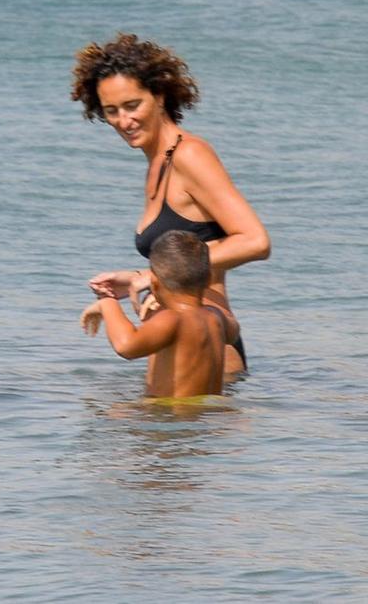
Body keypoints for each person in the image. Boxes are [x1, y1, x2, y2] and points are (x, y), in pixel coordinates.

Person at [72, 33, 268, 377]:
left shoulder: (189, 155)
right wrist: (133, 280)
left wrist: (150, 274)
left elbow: (255, 241)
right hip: (177, 349)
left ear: (159, 96)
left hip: (210, 347)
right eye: (111, 111)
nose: (123, 121)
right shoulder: (158, 163)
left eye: (133, 105)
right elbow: (186, 252)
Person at [87, 231, 239, 399]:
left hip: (170, 416)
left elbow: (126, 346)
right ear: (207, 278)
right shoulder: (216, 317)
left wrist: (107, 301)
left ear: (154, 284)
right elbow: (233, 332)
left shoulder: (172, 319)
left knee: (110, 413)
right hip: (207, 417)